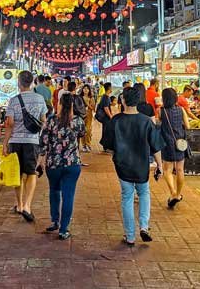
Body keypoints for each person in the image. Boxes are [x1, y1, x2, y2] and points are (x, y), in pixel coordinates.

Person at [102, 84, 163, 246]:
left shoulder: (116, 121)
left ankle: (130, 236)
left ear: (123, 100)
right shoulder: (146, 122)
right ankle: (144, 226)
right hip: (142, 165)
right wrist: (160, 166)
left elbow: (108, 146)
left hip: (123, 165)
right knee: (144, 193)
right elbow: (156, 146)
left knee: (127, 197)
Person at [2, 70, 47, 222]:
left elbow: (9, 124)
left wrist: (5, 143)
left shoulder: (14, 100)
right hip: (32, 142)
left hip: (16, 141)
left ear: (19, 83)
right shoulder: (40, 99)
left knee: (18, 174)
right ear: (32, 82)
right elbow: (43, 120)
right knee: (31, 173)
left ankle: (20, 204)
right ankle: (28, 205)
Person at [39, 93, 85, 240]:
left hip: (53, 164)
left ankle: (55, 220)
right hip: (72, 164)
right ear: (72, 106)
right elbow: (82, 134)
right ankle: (64, 229)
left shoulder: (51, 121)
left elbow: (43, 142)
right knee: (68, 196)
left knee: (54, 191)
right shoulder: (78, 121)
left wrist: (40, 161)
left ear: (59, 104)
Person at [159, 87, 190, 208]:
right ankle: (178, 193)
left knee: (167, 170)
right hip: (180, 143)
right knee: (180, 170)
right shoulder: (181, 109)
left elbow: (158, 124)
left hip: (167, 143)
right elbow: (187, 126)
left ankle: (172, 192)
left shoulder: (161, 111)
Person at [80, 85, 95, 152]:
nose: (85, 90)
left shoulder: (91, 98)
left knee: (88, 130)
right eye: (84, 88)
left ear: (89, 90)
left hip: (89, 115)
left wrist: (87, 104)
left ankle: (88, 144)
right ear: (82, 90)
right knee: (82, 130)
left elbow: (93, 108)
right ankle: (83, 145)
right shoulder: (79, 98)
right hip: (81, 115)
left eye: (87, 89)